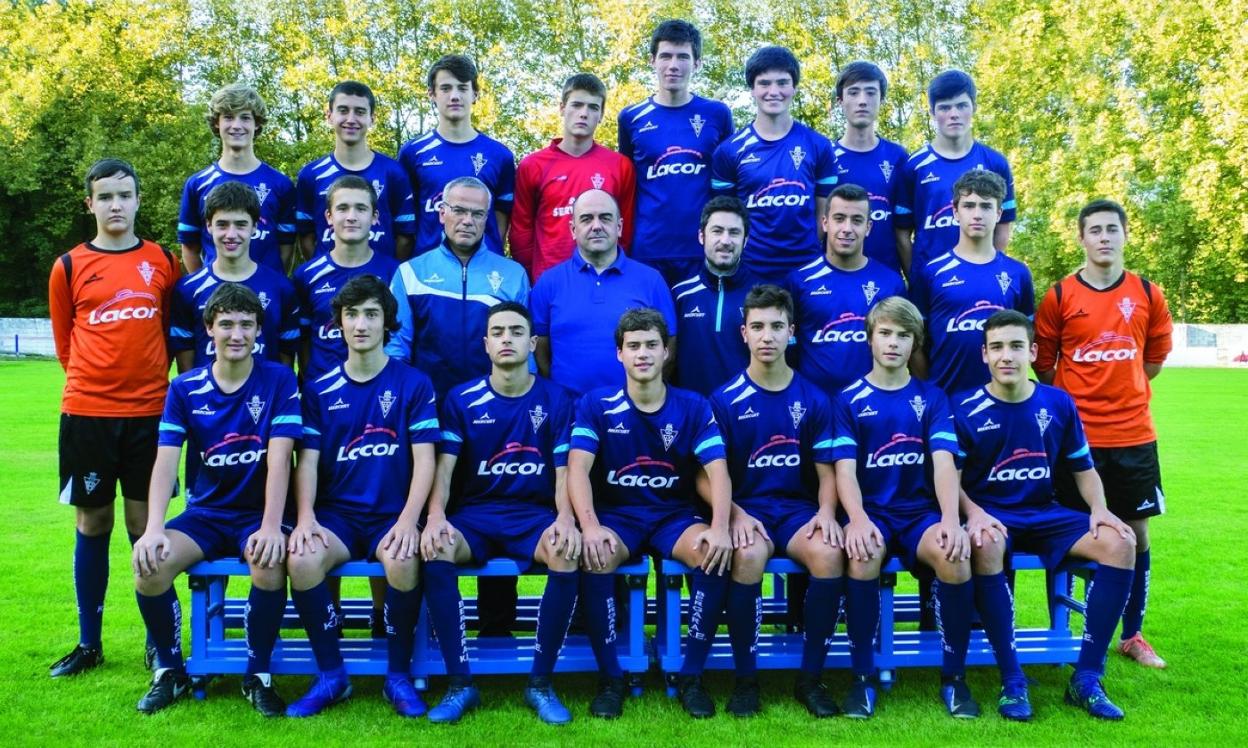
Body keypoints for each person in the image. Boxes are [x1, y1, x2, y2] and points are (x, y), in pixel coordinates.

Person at [955, 310, 1137, 721]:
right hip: (992, 514)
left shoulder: (1058, 402)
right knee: (985, 543)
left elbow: (1083, 468)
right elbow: (950, 480)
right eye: (997, 347)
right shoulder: (963, 407)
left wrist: (1100, 509)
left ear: (1033, 352)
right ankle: (1012, 680)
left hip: (1044, 512)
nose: (1007, 356)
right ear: (984, 354)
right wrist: (974, 513)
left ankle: (1087, 678)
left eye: (1016, 346)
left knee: (1121, 543)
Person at [130, 283, 300, 715]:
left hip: (259, 513)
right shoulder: (184, 388)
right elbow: (165, 461)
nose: (236, 334)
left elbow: (281, 459)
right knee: (149, 566)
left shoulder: (279, 380)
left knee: (268, 561)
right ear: (209, 328)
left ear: (258, 330)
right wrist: (153, 529)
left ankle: (257, 675)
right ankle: (170, 670)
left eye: (246, 324)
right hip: (206, 514)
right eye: (226, 324)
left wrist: (270, 526)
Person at [48, 158, 181, 678]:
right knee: (93, 521)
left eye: (124, 195)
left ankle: (156, 641)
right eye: (105, 196)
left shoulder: (162, 261)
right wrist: (96, 386)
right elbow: (66, 343)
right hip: (88, 415)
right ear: (90, 204)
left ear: (138, 200)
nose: (116, 205)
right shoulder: (69, 265)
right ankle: (89, 643)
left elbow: (170, 333)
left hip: (150, 414)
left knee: (145, 525)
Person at [283, 275, 438, 718]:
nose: (361, 324)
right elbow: (307, 462)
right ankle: (332, 676)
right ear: (339, 323)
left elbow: (425, 460)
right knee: (302, 559)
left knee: (403, 559)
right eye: (351, 315)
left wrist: (408, 521)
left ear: (387, 322)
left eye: (372, 314)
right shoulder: (318, 389)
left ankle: (397, 676)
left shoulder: (414, 383)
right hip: (338, 517)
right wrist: (306, 518)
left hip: (393, 513)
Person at [418, 302, 580, 724]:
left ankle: (540, 684)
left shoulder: (557, 399)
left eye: (516, 331)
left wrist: (565, 519)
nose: (507, 339)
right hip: (476, 516)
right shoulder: (461, 399)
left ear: (533, 342)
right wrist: (435, 518)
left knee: (566, 551)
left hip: (534, 516)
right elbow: (444, 470)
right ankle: (460, 684)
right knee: (436, 549)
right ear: (486, 344)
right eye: (498, 332)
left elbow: (565, 472)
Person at [568, 308, 733, 719]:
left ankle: (691, 676)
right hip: (618, 515)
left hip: (673, 515)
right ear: (619, 353)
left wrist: (720, 527)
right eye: (633, 346)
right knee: (596, 555)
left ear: (666, 352)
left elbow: (717, 471)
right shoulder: (596, 405)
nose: (642, 353)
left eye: (651, 345)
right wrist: (590, 526)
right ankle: (611, 679)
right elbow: (577, 470)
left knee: (711, 553)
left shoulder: (693, 406)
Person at [1035, 199, 1173, 669]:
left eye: (1112, 229)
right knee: (1074, 533)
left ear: (1125, 234)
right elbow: (1045, 366)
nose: (1104, 237)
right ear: (1081, 238)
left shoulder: (1148, 294)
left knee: (1137, 535)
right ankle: (1066, 632)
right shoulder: (1059, 296)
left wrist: (1121, 390)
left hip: (1133, 436)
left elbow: (1152, 361)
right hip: (1077, 441)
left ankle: (1132, 635)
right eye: (1094, 230)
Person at [832, 296, 978, 719]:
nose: (893, 343)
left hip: (919, 514)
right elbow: (844, 470)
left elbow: (944, 463)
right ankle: (862, 679)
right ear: (870, 339)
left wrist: (950, 519)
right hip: (872, 511)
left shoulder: (932, 398)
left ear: (915, 343)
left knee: (954, 554)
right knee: (863, 554)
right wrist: (857, 519)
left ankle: (954, 678)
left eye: (903, 335)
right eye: (885, 334)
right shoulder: (848, 399)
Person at [708, 285, 845, 718]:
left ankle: (811, 680)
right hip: (748, 509)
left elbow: (827, 471)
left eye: (776, 326)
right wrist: (734, 514)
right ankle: (746, 681)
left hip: (798, 512)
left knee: (829, 554)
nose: (767, 336)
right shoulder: (724, 399)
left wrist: (826, 513)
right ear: (743, 333)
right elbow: (707, 475)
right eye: (758, 326)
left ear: (792, 332)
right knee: (747, 555)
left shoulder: (814, 398)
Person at [387, 177, 530, 396]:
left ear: (486, 219)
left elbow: (524, 352)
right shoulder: (410, 273)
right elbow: (396, 348)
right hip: (427, 401)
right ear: (442, 213)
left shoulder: (513, 274)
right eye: (459, 211)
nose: (467, 221)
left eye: (477, 214)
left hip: (491, 404)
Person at [618, 20, 734, 285]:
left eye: (683, 57)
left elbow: (728, 184)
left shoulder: (717, 114)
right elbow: (627, 184)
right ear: (652, 61)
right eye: (666, 56)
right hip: (648, 250)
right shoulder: (631, 117)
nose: (673, 65)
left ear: (697, 63)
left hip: (702, 248)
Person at [530, 189, 675, 396]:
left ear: (619, 227)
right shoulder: (548, 283)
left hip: (634, 408)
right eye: (586, 219)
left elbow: (669, 346)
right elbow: (540, 351)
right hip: (568, 409)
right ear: (573, 229)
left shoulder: (651, 281)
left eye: (605, 218)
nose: (596, 226)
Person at [711, 45, 837, 282]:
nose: (773, 91)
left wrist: (810, 246)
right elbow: (725, 215)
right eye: (764, 83)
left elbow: (825, 212)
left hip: (806, 268)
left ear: (794, 87)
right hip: (750, 269)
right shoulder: (729, 151)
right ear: (752, 89)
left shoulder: (819, 145)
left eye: (782, 83)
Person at [909, 170, 1034, 396]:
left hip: (1003, 402)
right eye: (969, 206)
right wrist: (930, 393)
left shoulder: (1018, 273)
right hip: (946, 400)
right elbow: (915, 344)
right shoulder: (931, 272)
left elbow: (1026, 340)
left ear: (998, 213)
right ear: (955, 212)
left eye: (986, 206)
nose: (977, 214)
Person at [511, 73, 636, 282]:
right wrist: (535, 278)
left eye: (593, 107)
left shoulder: (620, 166)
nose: (584, 114)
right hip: (550, 281)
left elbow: (625, 230)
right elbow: (521, 232)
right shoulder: (532, 166)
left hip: (603, 279)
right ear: (562, 108)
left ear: (601, 115)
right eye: (577, 105)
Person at [786, 183, 906, 397]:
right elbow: (788, 346)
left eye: (857, 220)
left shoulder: (891, 283)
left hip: (872, 404)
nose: (847, 228)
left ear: (868, 227)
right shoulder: (799, 281)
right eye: (839, 218)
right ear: (825, 223)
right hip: (814, 403)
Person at [894, 69, 1016, 273]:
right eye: (944, 107)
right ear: (932, 112)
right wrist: (917, 278)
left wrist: (988, 272)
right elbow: (901, 234)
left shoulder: (996, 163)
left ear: (974, 107)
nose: (954, 114)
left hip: (980, 279)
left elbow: (1003, 227)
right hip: (930, 282)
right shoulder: (913, 166)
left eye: (961, 106)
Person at [171, 181, 300, 372]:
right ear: (208, 226)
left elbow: (285, 362)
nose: (231, 234)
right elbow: (186, 369)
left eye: (240, 225)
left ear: (254, 226)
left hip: (264, 392)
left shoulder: (282, 288)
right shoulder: (187, 290)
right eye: (222, 224)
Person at [399, 55, 516, 256]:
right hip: (429, 265)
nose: (454, 96)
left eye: (462, 88)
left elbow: (501, 216)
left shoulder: (499, 155)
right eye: (445, 88)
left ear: (475, 94)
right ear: (432, 94)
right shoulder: (412, 152)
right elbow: (407, 219)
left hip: (483, 267)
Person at [178, 83, 296, 274]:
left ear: (257, 123)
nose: (236, 126)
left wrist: (271, 283)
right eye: (228, 117)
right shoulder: (197, 184)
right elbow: (190, 248)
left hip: (264, 289)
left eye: (245, 118)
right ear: (217, 122)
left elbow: (286, 247)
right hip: (217, 291)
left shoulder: (281, 184)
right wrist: (205, 286)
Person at [293, 176, 400, 383]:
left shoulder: (396, 272)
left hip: (380, 388)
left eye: (361, 208)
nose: (351, 217)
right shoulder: (306, 275)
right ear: (329, 216)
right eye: (342, 208)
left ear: (375, 217)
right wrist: (312, 382)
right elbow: (303, 339)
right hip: (323, 391)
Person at [295, 80, 416, 261]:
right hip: (329, 277)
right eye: (343, 110)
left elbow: (405, 237)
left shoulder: (394, 173)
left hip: (380, 277)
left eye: (360, 112)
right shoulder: (311, 175)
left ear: (372, 118)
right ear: (329, 116)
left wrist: (388, 271)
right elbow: (306, 237)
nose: (351, 119)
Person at [671, 196, 757, 395]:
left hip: (746, 408)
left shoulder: (762, 296)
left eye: (734, 232)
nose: (725, 241)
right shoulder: (680, 295)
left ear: (745, 240)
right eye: (717, 231)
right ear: (701, 236)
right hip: (692, 409)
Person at [829, 62, 909, 273]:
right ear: (840, 101)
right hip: (834, 278)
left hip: (887, 277)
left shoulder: (898, 157)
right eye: (853, 92)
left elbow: (903, 231)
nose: (862, 101)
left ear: (881, 100)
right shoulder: (826, 157)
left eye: (871, 93)